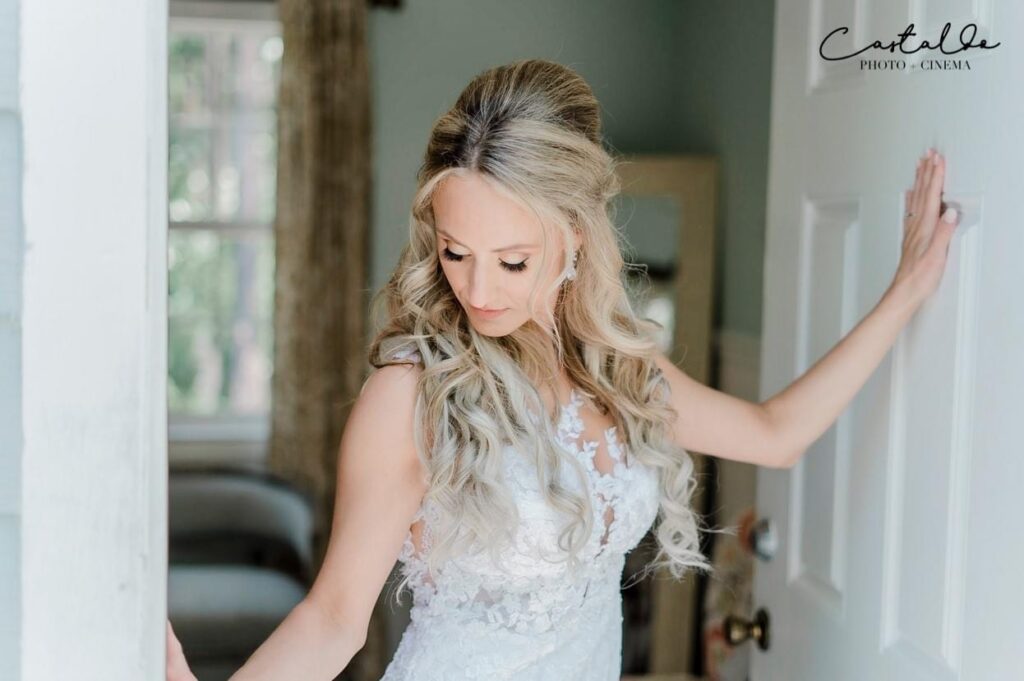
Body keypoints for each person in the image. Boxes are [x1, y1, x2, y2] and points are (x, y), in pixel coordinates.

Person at [167, 59, 956, 681]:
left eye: (512, 261)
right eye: (454, 253)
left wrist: (905, 291)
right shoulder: (410, 395)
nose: (476, 290)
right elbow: (334, 616)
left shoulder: (618, 369)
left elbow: (776, 433)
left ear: (575, 237)